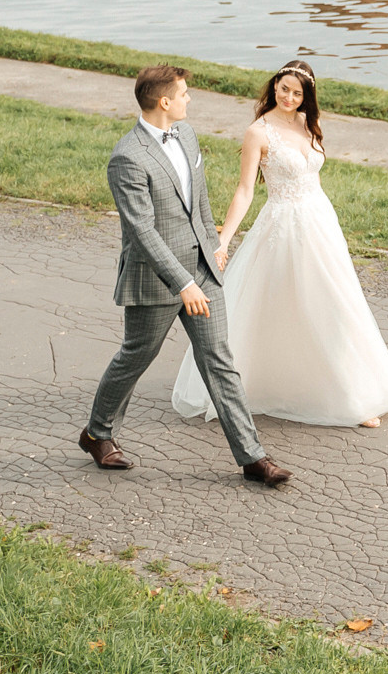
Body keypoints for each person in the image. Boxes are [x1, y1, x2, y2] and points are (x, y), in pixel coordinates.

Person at [81, 66, 291, 485]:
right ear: (164, 102)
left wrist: (215, 250)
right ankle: (97, 433)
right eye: (184, 94)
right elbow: (141, 231)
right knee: (135, 356)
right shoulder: (127, 157)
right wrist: (183, 283)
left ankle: (252, 458)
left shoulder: (188, 135)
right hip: (157, 279)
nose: (189, 99)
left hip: (202, 268)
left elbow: (199, 200)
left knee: (219, 360)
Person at [173, 61, 388, 428]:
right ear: (274, 86)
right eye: (284, 89)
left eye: (297, 93)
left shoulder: (307, 123)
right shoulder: (258, 132)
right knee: (285, 304)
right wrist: (223, 240)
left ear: (306, 97)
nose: (289, 97)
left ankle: (351, 394)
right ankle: (250, 385)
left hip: (320, 223)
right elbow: (246, 189)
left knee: (335, 302)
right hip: (282, 226)